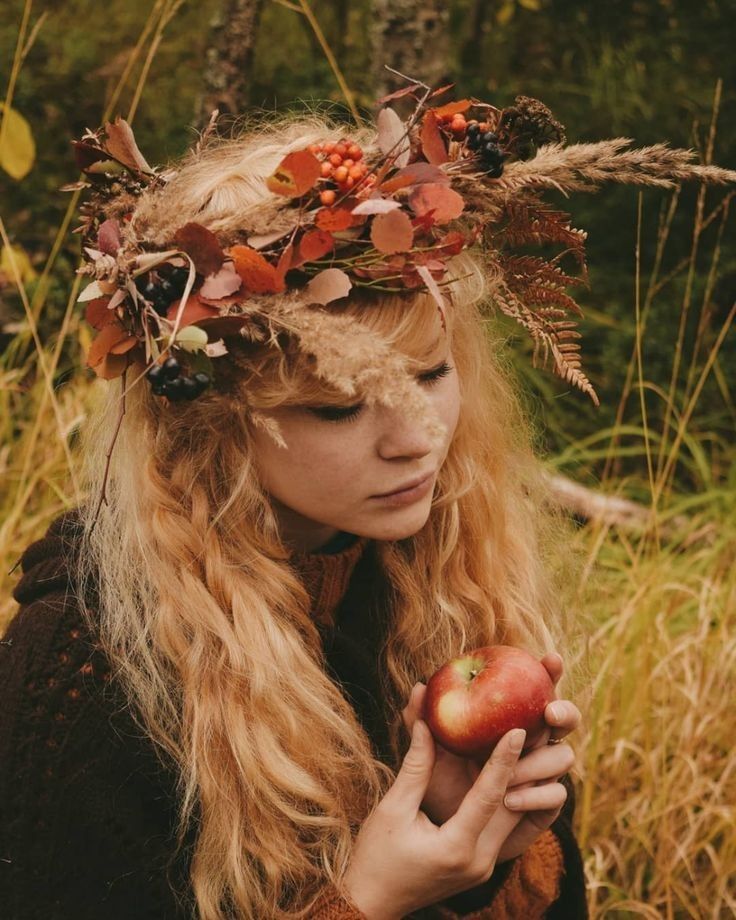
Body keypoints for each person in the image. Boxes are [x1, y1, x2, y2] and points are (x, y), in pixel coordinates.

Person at [6, 86, 732, 918]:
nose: (416, 437)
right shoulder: (88, 666)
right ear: (211, 426)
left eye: (430, 375)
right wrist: (366, 900)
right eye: (339, 406)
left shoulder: (442, 578)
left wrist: (474, 845)